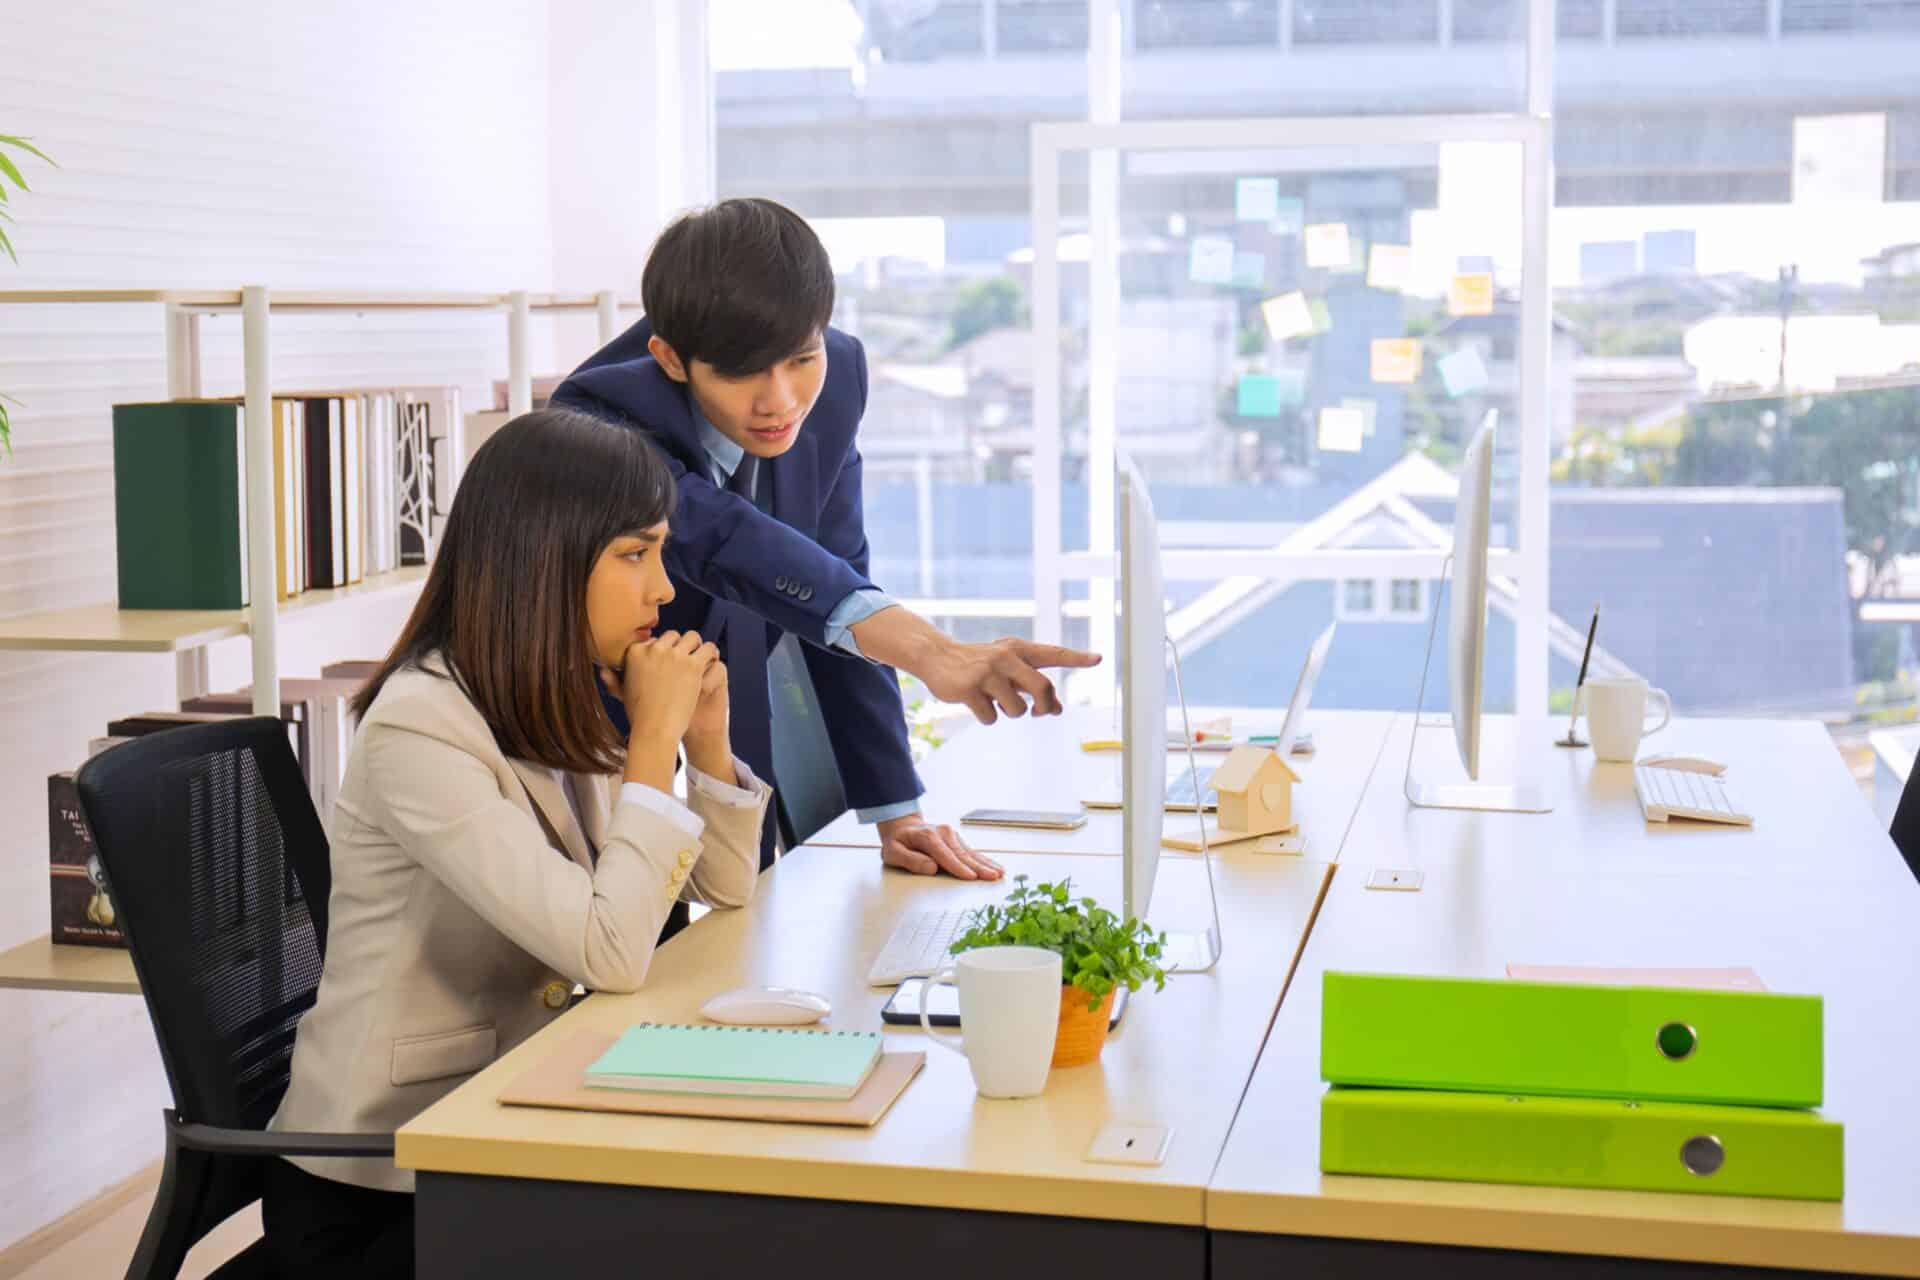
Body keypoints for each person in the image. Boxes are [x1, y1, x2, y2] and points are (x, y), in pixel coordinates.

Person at [263, 409, 768, 1278]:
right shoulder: (420, 728)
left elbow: (725, 896)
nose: (663, 591)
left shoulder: (554, 686)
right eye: (634, 554)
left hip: (512, 1115)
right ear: (547, 557)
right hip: (389, 1179)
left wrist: (706, 745)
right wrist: (651, 743)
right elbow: (609, 947)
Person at [554, 197, 1099, 881]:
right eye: (742, 372)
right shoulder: (597, 420)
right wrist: (931, 649)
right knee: (631, 937)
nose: (779, 400)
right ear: (670, 358)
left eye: (799, 358)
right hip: (594, 724)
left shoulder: (837, 379)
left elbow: (841, 585)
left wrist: (897, 813)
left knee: (738, 923)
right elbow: (723, 537)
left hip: (726, 702)